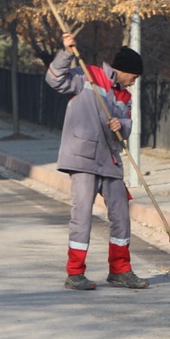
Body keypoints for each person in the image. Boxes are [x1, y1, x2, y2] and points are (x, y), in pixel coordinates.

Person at [46, 31, 147, 291]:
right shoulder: (86, 75)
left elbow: (127, 125)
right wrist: (66, 52)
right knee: (82, 216)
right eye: (134, 77)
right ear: (124, 71)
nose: (134, 83)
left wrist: (120, 125)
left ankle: (120, 271)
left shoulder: (126, 96)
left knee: (121, 216)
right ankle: (75, 273)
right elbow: (55, 80)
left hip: (110, 160)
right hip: (83, 158)